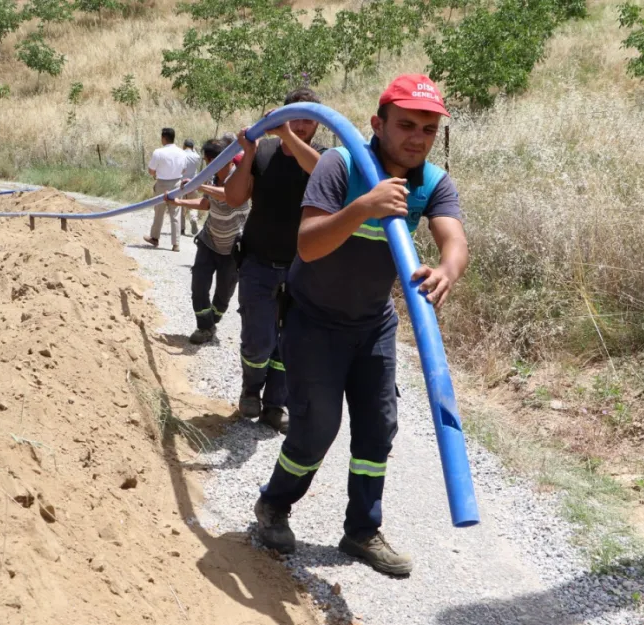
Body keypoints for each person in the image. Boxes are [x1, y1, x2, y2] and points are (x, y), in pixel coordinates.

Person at [253, 75, 469, 577]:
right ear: (378, 123)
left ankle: (362, 529)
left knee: (378, 430)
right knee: (316, 429)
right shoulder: (340, 164)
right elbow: (308, 244)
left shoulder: (432, 182)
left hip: (373, 325)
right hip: (314, 323)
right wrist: (363, 208)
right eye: (406, 125)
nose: (417, 138)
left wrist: (447, 269)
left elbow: (454, 239)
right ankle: (274, 504)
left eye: (428, 129)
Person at [224, 88, 326, 434]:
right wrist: (248, 153)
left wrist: (285, 134)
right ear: (282, 116)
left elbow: (319, 172)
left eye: (308, 119)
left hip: (303, 268)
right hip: (258, 263)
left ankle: (275, 405)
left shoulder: (326, 159)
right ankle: (251, 389)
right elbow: (235, 198)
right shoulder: (264, 151)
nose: (300, 125)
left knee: (291, 341)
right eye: (293, 117)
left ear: (318, 124)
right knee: (259, 338)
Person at [164, 139, 250, 344]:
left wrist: (197, 184)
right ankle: (204, 327)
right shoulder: (211, 179)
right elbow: (206, 203)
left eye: (208, 161)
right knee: (199, 285)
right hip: (209, 241)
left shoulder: (239, 177)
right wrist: (179, 201)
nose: (207, 165)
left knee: (223, 295)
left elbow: (230, 196)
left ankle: (211, 322)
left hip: (232, 248)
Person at [144, 127, 187, 252]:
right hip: (177, 184)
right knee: (175, 214)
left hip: (162, 184)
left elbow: (151, 170)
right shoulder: (182, 152)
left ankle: (155, 238)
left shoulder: (158, 152)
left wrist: (156, 174)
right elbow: (183, 170)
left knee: (159, 212)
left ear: (163, 138)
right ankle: (176, 244)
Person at [180, 139, 202, 237]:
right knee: (193, 206)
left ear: (184, 146)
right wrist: (195, 151)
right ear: (193, 147)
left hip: (181, 184)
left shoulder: (180, 154)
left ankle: (181, 228)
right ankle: (193, 219)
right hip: (193, 183)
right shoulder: (197, 156)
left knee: (180, 206)